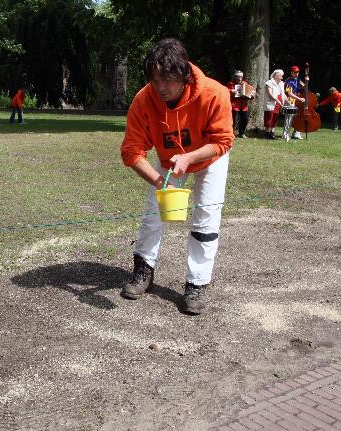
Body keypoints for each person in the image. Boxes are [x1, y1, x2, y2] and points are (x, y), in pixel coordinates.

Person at [120, 38, 234, 315]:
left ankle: (197, 283)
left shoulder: (214, 93)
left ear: (183, 75)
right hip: (167, 161)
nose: (160, 87)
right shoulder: (144, 99)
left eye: (167, 79)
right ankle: (143, 270)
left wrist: (190, 157)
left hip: (210, 158)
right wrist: (161, 182)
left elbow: (223, 140)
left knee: (206, 216)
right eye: (154, 79)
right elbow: (131, 151)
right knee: (153, 213)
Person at [226, 70, 255, 139]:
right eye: (238, 77)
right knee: (234, 120)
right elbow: (227, 90)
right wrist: (233, 91)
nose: (239, 78)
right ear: (235, 77)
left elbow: (250, 90)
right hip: (235, 105)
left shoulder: (244, 83)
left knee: (245, 119)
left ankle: (241, 133)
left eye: (241, 77)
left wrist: (252, 94)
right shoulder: (231, 84)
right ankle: (231, 133)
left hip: (244, 106)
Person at [283, 65, 306, 140]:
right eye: (295, 72)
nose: (297, 73)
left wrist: (307, 81)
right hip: (289, 100)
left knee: (298, 117)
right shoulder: (289, 81)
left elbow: (305, 87)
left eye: (298, 72)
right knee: (289, 118)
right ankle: (285, 134)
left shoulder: (298, 79)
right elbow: (289, 94)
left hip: (296, 101)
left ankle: (296, 133)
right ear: (291, 72)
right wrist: (299, 98)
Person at [263, 69, 287, 139]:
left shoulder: (281, 83)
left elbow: (282, 93)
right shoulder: (269, 83)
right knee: (269, 118)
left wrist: (286, 100)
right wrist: (277, 100)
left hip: (278, 103)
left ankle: (272, 133)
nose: (282, 78)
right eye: (281, 76)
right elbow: (270, 94)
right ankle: (267, 134)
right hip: (270, 102)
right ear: (276, 76)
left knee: (275, 118)